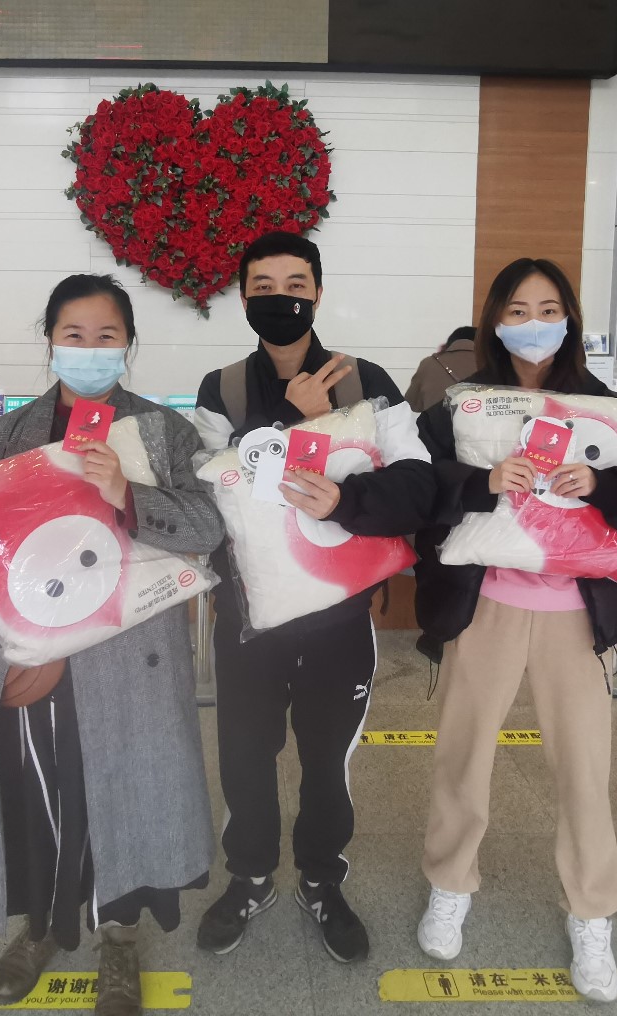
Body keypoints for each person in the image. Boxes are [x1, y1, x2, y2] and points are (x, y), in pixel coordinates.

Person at [0, 275, 223, 1016]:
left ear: (129, 344)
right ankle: (41, 928)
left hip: (131, 660)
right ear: (50, 341)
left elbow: (209, 529)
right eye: (74, 335)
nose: (90, 349)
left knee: (122, 794)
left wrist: (129, 494)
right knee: (35, 791)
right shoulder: (6, 438)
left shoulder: (161, 432)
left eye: (106, 335)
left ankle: (118, 939)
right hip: (26, 657)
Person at [411, 258, 617, 1002]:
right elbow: (415, 485)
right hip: (484, 607)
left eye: (547, 309)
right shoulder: (462, 406)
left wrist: (603, 483)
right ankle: (450, 884)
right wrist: (479, 483)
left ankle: (591, 913)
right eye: (516, 310)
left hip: (577, 614)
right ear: (493, 321)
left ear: (569, 319)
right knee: (463, 755)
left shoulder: (612, 410)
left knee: (583, 770)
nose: (532, 324)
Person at [191, 231, 436, 963]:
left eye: (295, 284)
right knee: (245, 755)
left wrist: (344, 498)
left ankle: (323, 879)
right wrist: (293, 427)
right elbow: (211, 498)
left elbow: (417, 484)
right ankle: (250, 876)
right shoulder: (222, 390)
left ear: (319, 293)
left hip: (338, 614)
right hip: (250, 620)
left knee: (328, 759)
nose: (280, 299)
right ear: (243, 298)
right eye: (262, 287)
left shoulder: (367, 383)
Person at [404, 325, 476, 412]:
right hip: (479, 420)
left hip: (437, 420)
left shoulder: (429, 363)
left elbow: (412, 404)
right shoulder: (488, 363)